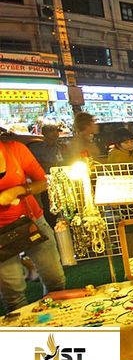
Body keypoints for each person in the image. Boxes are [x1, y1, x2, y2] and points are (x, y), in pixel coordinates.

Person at [0, 133, 65, 312]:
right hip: (1, 234)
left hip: (31, 221)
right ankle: (26, 333)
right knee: (13, 293)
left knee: (55, 279)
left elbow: (42, 183)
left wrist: (19, 190)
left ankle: (56, 320)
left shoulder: (15, 149)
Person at [28, 125, 65, 228]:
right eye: (52, 131)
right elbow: (32, 164)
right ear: (45, 133)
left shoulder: (60, 147)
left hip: (59, 180)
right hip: (45, 181)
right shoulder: (37, 148)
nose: (56, 134)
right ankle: (52, 224)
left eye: (57, 131)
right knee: (48, 204)